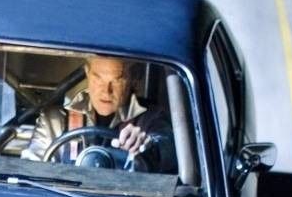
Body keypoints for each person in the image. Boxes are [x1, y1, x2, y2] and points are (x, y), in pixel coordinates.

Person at [20, 55, 175, 172]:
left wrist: (148, 145)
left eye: (117, 80)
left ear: (133, 79)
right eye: (98, 78)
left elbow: (168, 149)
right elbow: (29, 171)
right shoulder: (54, 121)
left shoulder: (150, 120)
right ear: (87, 73)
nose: (106, 91)